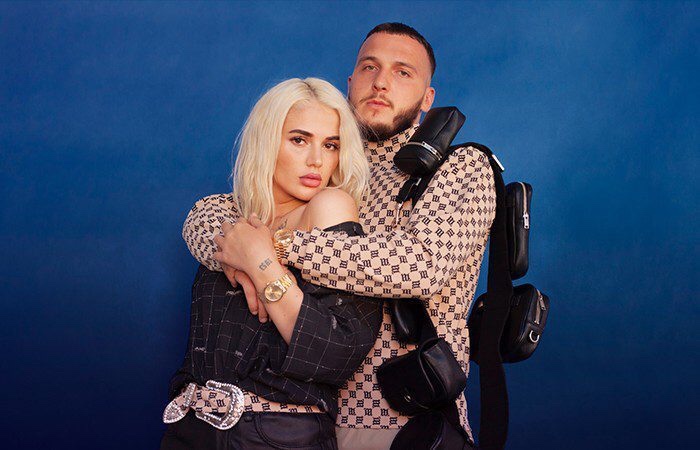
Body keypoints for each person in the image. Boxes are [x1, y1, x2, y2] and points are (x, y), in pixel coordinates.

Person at [184, 23, 496, 450]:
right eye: (370, 67)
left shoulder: (459, 167)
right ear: (350, 83)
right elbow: (220, 211)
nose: (381, 82)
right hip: (306, 415)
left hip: (399, 417)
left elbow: (422, 265)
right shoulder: (327, 162)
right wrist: (230, 244)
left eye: (403, 72)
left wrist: (270, 250)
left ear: (428, 98)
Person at [161, 77, 383, 450]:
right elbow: (199, 217)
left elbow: (336, 353)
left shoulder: (328, 206)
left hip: (275, 434)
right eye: (299, 140)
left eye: (330, 145)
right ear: (266, 142)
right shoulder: (229, 219)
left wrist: (261, 265)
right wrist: (242, 251)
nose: (316, 160)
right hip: (188, 428)